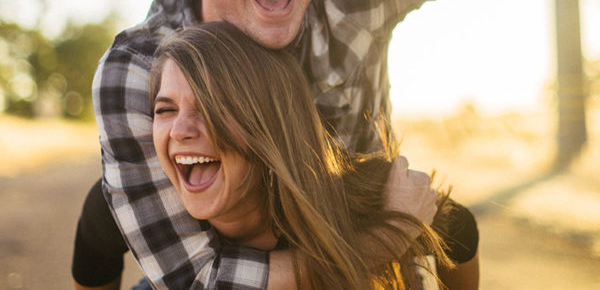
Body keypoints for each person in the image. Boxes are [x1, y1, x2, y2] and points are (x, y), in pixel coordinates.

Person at [89, 0, 567, 289]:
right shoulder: (138, 66)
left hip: (352, 242)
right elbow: (194, 278)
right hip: (277, 255)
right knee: (99, 213)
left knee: (452, 223)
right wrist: (387, 237)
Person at [75, 22, 454, 289]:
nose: (180, 130)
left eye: (211, 106)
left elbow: (458, 227)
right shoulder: (137, 211)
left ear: (268, 126)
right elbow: (95, 241)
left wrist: (395, 231)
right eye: (165, 109)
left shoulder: (356, 199)